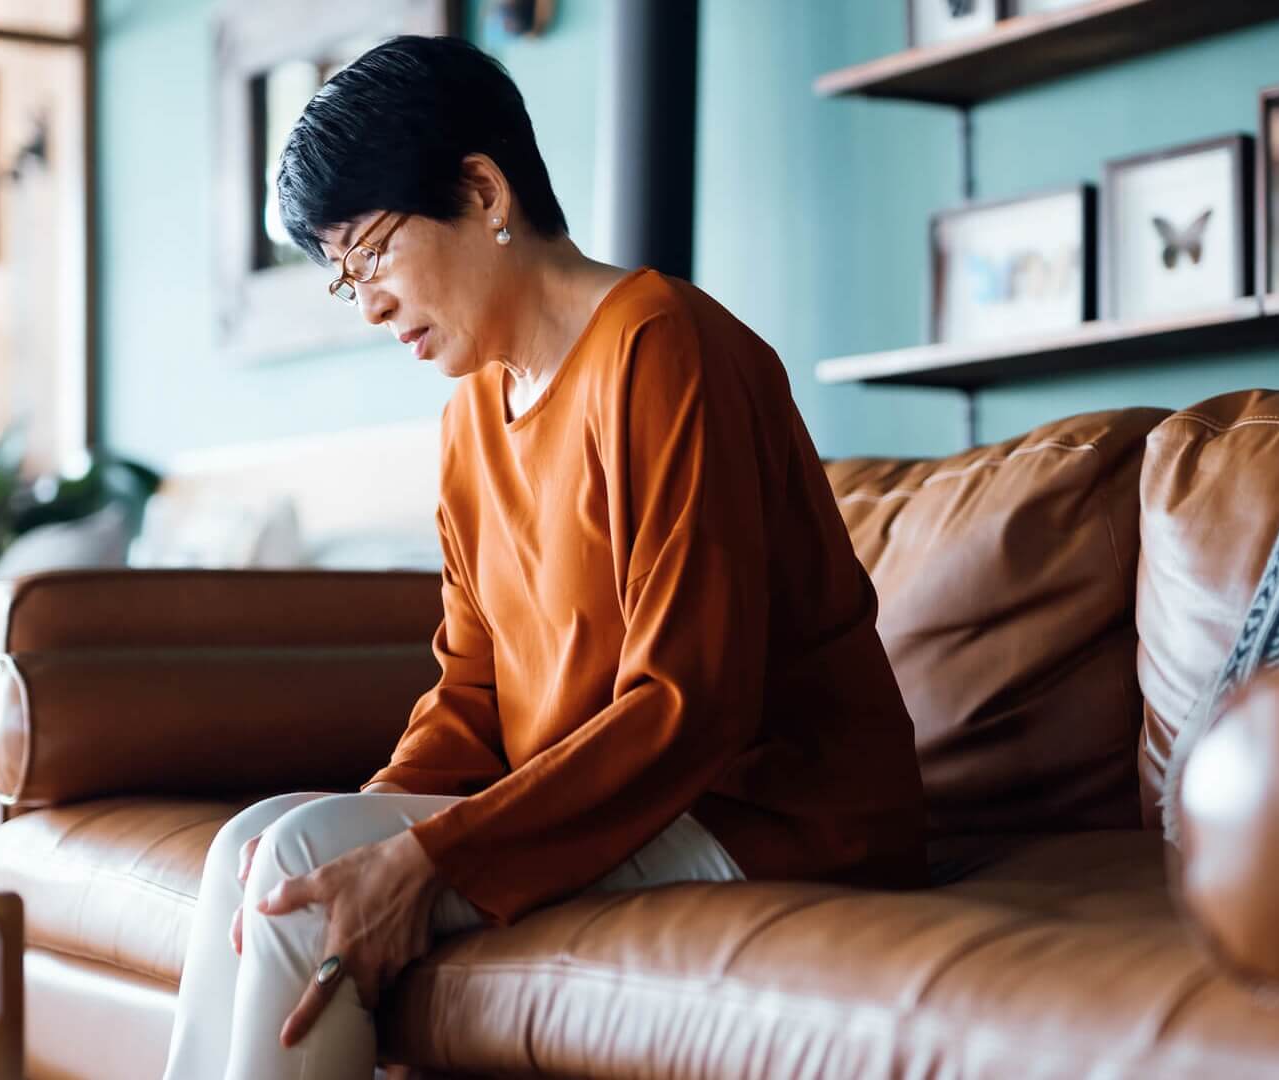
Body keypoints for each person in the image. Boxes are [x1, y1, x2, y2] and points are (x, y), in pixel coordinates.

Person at [162, 34, 926, 1080]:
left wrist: (422, 854)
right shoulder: (473, 413)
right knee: (260, 843)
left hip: (774, 819)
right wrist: (379, 826)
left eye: (373, 253)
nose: (370, 302)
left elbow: (687, 704)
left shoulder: (663, 349)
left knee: (305, 856)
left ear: (481, 191)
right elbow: (473, 691)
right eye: (346, 278)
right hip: (623, 808)